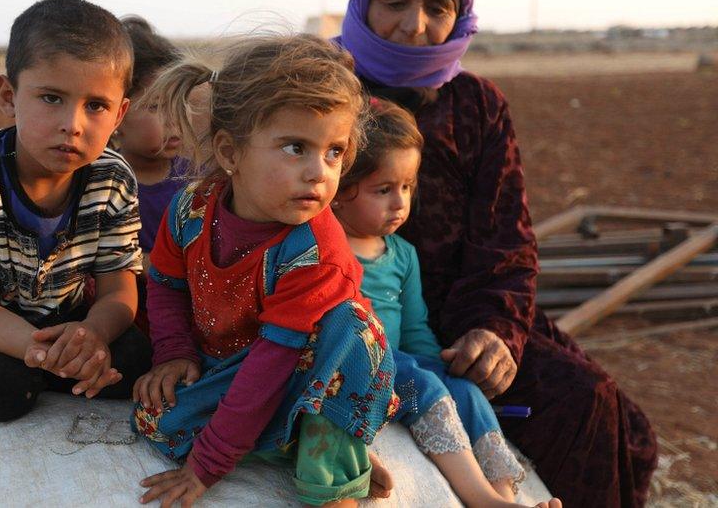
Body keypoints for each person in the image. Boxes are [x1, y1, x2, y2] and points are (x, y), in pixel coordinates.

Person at [129, 34, 558, 508]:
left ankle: (335, 482)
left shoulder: (314, 248)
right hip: (230, 364)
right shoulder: (191, 209)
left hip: (315, 369)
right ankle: (300, 439)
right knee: (157, 422)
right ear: (230, 154)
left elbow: (274, 363)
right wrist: (172, 352)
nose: (320, 172)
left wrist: (204, 469)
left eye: (334, 152)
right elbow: (166, 283)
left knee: (349, 327)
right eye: (295, 147)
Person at [336, 0, 657, 506]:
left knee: (592, 403)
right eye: (396, 2)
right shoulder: (323, 91)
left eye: (438, 7)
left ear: (461, 16)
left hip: (464, 317)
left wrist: (494, 332)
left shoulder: (477, 105)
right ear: (364, 2)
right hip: (339, 309)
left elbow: (506, 240)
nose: (415, 25)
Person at [0, 0, 152, 422]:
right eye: (51, 98)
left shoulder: (113, 178)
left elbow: (118, 288)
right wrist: (46, 352)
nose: (73, 124)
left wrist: (90, 336)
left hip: (59, 312)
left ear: (120, 114)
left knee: (132, 363)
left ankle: (50, 367)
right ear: (8, 95)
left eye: (96, 106)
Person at [332, 98, 527, 500]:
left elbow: (416, 328)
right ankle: (479, 496)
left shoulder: (403, 254)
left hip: (403, 358)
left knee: (465, 390)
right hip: (361, 362)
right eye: (383, 189)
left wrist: (446, 365)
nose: (400, 202)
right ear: (339, 190)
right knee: (423, 383)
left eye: (407, 186)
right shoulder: (328, 247)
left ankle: (505, 492)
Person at [113, 16, 188, 255]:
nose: (174, 118)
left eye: (178, 103)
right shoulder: (101, 183)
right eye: (155, 106)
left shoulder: (194, 183)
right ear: (117, 115)